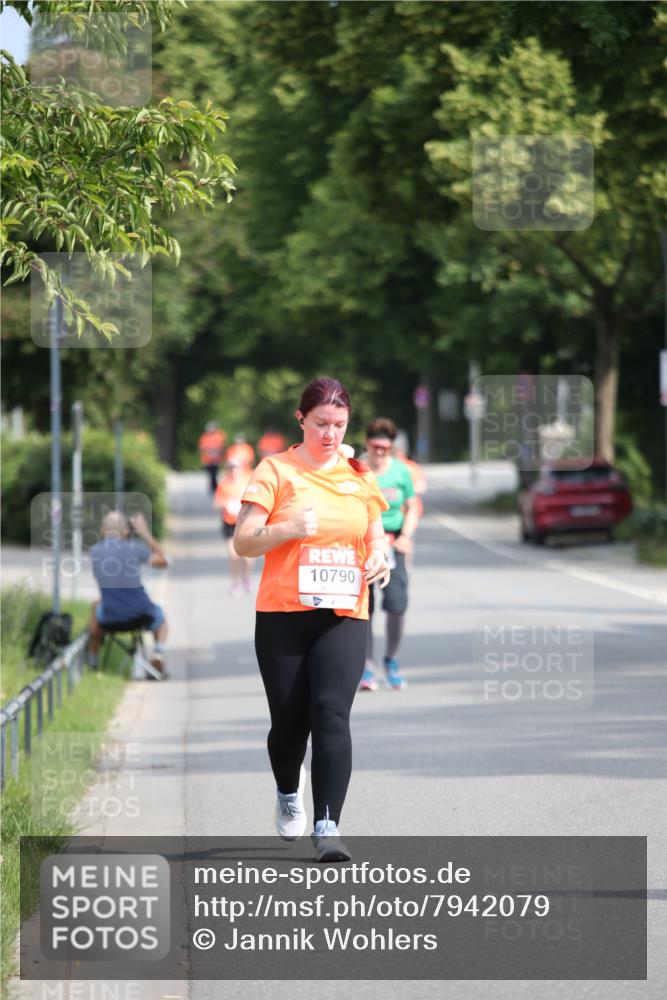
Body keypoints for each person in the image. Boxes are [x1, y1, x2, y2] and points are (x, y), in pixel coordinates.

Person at [233, 377, 390, 862]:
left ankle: (328, 826)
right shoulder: (275, 470)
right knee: (288, 724)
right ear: (301, 419)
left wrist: (381, 557)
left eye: (340, 425)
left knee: (330, 715)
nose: (331, 434)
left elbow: (375, 534)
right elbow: (243, 541)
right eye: (321, 423)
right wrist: (286, 528)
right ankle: (287, 790)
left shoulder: (360, 474)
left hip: (344, 612)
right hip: (283, 614)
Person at [360, 418, 420, 692]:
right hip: (363, 545)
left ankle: (391, 660)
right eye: (375, 446)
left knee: (397, 604)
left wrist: (406, 535)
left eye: (385, 447)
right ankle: (366, 666)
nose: (380, 452)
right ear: (367, 445)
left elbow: (413, 506)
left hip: (393, 544)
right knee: (363, 609)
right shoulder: (357, 469)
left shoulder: (400, 471)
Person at [87, 511, 169, 675]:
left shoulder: (95, 551)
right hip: (142, 614)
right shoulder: (135, 548)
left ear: (103, 531)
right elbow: (163, 561)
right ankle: (158, 652)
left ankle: (92, 661)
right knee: (161, 618)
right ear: (125, 532)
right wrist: (145, 533)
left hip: (111, 617)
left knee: (95, 606)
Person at [214, 458, 253, 596]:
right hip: (229, 524)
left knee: (248, 557)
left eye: (235, 467)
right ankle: (235, 584)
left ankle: (246, 577)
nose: (233, 470)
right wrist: (226, 503)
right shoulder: (223, 484)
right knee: (233, 555)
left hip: (245, 523)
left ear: (240, 469)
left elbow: (255, 500)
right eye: (231, 468)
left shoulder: (247, 483)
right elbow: (216, 502)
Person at [198, 421, 226, 493]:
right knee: (210, 475)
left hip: (216, 460)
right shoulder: (204, 437)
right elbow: (202, 448)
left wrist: (217, 453)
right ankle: (213, 487)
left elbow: (222, 447)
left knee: (215, 474)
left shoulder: (219, 435)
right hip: (208, 460)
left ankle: (215, 488)